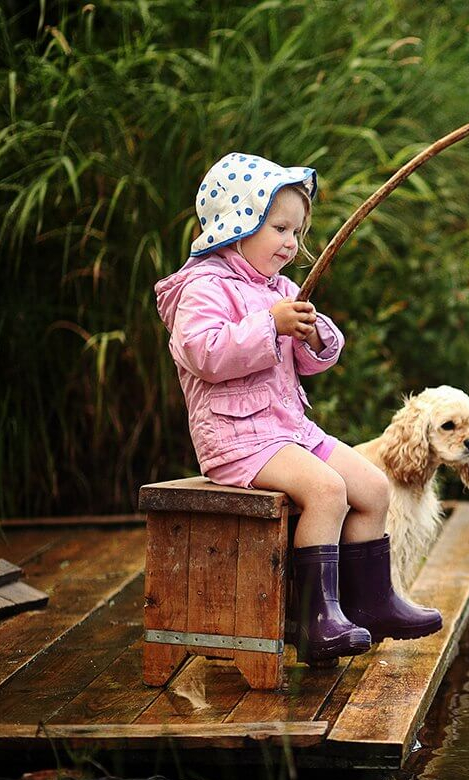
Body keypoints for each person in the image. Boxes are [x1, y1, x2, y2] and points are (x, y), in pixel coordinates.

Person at [154, 152, 442, 662]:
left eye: (298, 232)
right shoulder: (201, 289)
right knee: (327, 490)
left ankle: (371, 604)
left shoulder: (280, 288)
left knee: (373, 487)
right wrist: (272, 325)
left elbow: (309, 363)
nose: (292, 243)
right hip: (235, 439)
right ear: (236, 225)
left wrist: (315, 334)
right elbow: (205, 354)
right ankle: (316, 618)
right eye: (280, 229)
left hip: (288, 430)